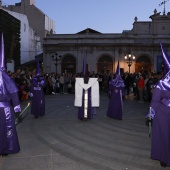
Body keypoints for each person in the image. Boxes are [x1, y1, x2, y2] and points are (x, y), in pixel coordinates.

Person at [146, 43, 170, 167]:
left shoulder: (161, 83)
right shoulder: (161, 83)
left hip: (163, 113)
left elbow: (155, 101)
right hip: (163, 113)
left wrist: (150, 115)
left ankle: (164, 158)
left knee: (164, 136)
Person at [0, 32, 21, 156]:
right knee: (5, 128)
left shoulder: (6, 77)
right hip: (5, 108)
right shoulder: (6, 77)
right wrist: (17, 107)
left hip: (5, 107)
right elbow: (13, 93)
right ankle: (6, 148)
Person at [74, 56, 99, 120]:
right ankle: (83, 116)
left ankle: (86, 116)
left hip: (87, 96)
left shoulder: (89, 81)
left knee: (87, 106)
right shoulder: (80, 81)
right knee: (83, 106)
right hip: (83, 96)